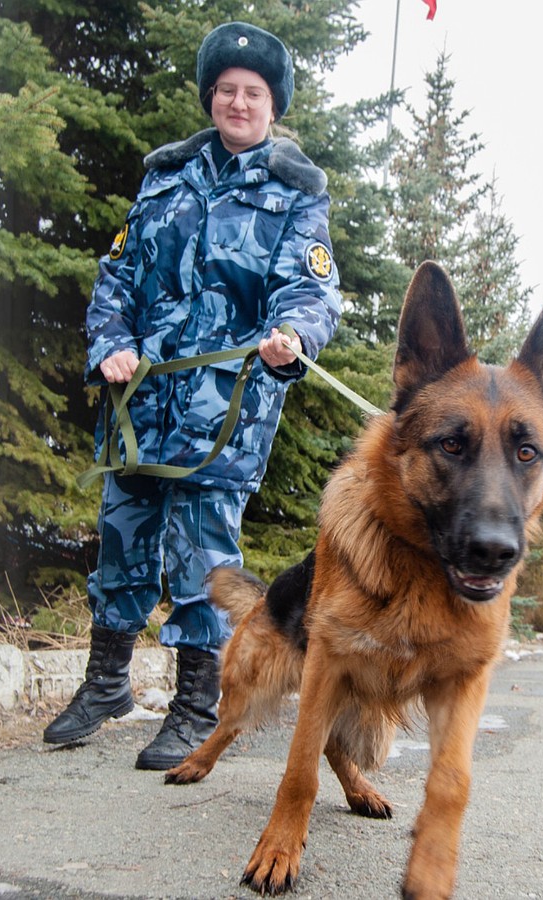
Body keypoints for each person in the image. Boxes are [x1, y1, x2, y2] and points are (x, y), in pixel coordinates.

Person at [43, 21, 341, 771]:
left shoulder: (295, 193)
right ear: (212, 97)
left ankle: (193, 708)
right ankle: (106, 684)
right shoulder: (164, 178)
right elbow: (116, 279)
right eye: (227, 90)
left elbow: (312, 290)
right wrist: (110, 343)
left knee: (202, 563)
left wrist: (291, 337)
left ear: (272, 106)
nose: (239, 103)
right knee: (120, 546)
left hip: (224, 412)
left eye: (254, 93)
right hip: (141, 404)